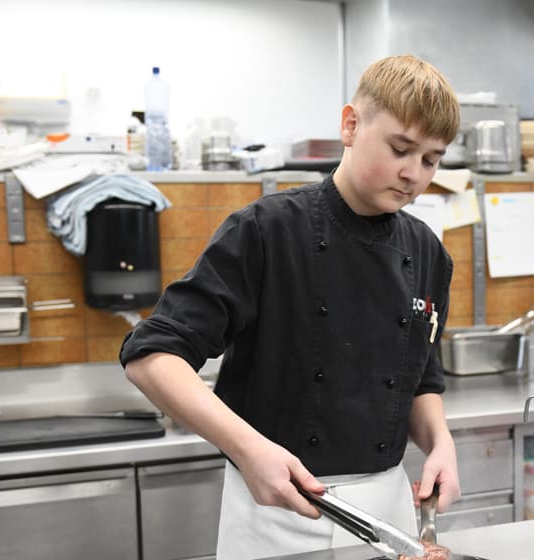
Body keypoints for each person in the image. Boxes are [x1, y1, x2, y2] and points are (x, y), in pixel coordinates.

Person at [120, 54, 462, 559]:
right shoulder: (265, 230)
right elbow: (151, 356)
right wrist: (247, 448)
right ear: (351, 125)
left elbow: (420, 378)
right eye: (400, 149)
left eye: (431, 160)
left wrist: (441, 444)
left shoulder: (429, 252)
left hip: (389, 515)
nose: (413, 173)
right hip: (276, 513)